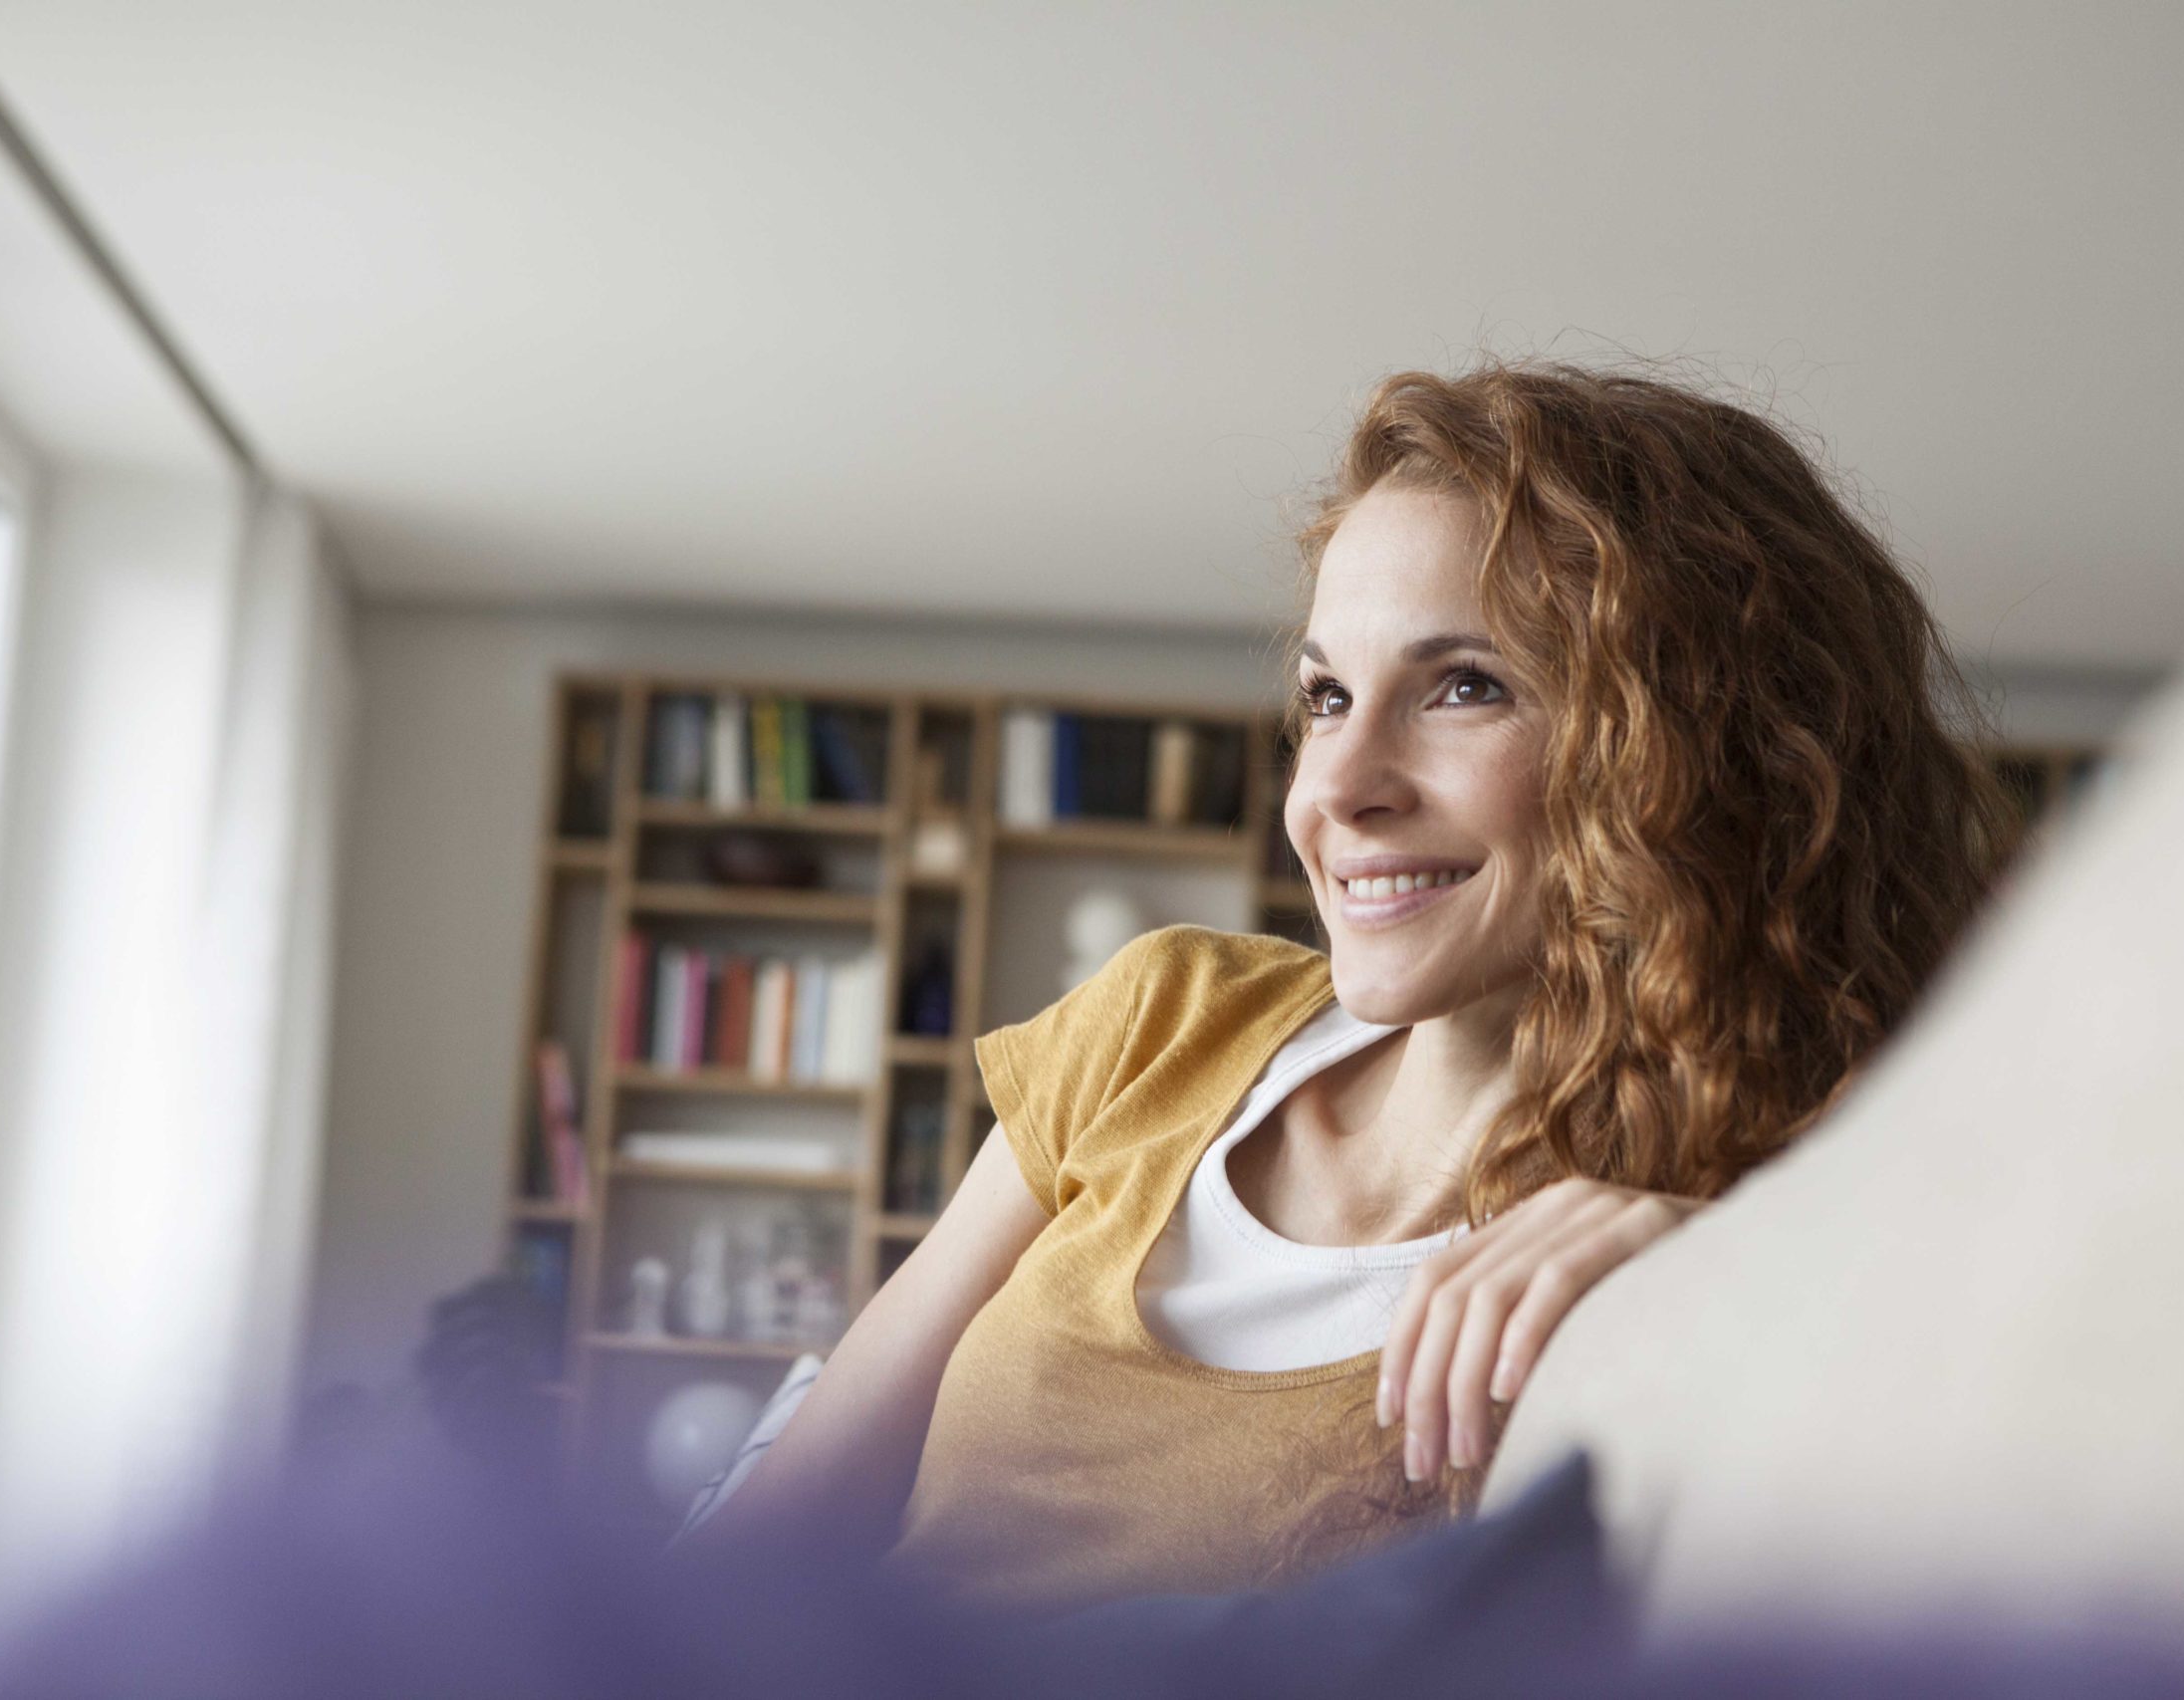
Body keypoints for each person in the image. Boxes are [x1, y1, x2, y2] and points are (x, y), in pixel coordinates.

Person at [674, 355, 2012, 1613]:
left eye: (1466, 687)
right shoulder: (1168, 1020)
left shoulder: (1750, 1230)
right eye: (1327, 696)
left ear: (1701, 756)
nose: (1338, 790)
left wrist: (1718, 1279)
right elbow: (771, 1546)